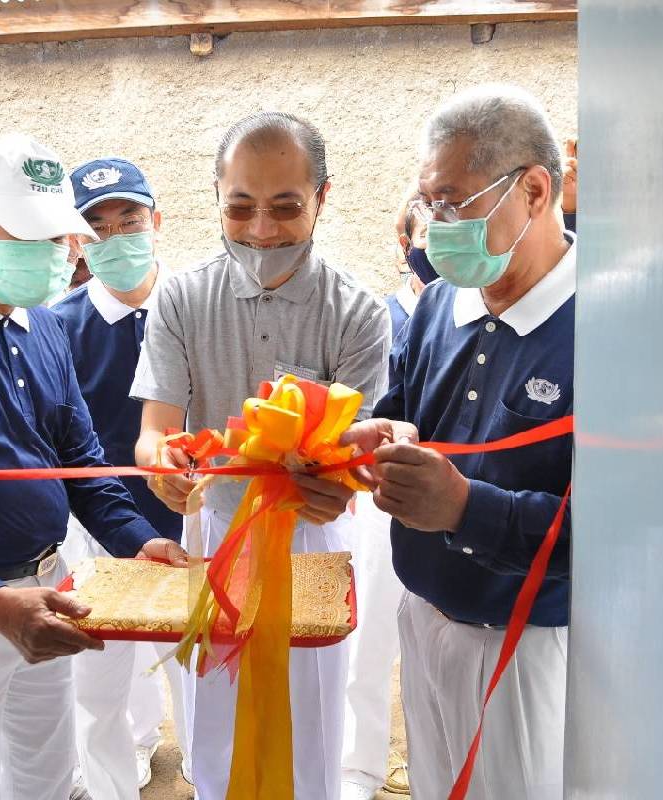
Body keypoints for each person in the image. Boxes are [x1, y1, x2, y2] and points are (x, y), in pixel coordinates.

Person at [130, 111, 391, 800]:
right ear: (216, 195)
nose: (262, 230)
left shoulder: (360, 312)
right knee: (213, 711)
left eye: (286, 207)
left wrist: (343, 481)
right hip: (213, 533)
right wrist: (165, 465)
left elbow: (353, 463)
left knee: (310, 712)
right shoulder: (181, 298)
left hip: (314, 536)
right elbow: (155, 430)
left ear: (323, 199)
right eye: (240, 207)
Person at [0, 132, 186, 800]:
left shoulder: (42, 326)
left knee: (45, 770)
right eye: (28, 239)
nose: (52, 258)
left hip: (49, 591)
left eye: (58, 239)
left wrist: (139, 539)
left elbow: (81, 462)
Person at [341, 84, 575, 800]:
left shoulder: (614, 325)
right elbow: (403, 408)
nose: (435, 226)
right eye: (427, 203)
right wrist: (372, 436)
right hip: (426, 614)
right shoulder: (443, 300)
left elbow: (622, 535)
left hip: (526, 643)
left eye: (454, 202)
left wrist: (465, 509)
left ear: (535, 191)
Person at [51, 157, 190, 795]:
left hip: (194, 515)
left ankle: (203, 763)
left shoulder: (196, 306)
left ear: (156, 221)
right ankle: (115, 774)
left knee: (200, 664)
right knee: (99, 674)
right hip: (96, 523)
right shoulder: (58, 326)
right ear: (78, 241)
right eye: (97, 227)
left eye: (129, 221)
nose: (116, 239)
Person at [339, 192, 428, 800]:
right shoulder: (379, 320)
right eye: (427, 237)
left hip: (451, 505)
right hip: (376, 506)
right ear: (404, 244)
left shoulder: (470, 320)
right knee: (365, 644)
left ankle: (430, 771)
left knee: (430, 650)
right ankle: (357, 772)